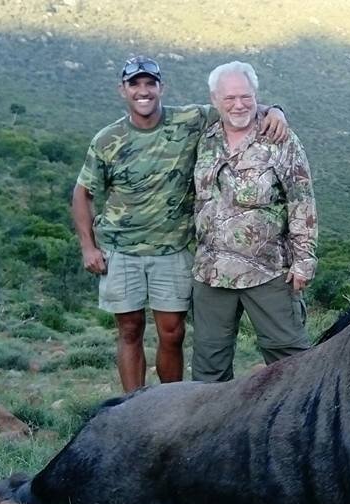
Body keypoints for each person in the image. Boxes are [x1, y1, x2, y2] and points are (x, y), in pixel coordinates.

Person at [72, 56, 289, 392]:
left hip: (172, 249)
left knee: (172, 332)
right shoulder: (107, 139)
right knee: (129, 330)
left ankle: (169, 405)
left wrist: (275, 110)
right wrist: (88, 246)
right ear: (123, 90)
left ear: (161, 88)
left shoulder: (189, 120)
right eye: (135, 84)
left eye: (150, 84)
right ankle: (134, 407)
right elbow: (82, 193)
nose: (143, 91)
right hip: (121, 250)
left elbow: (234, 104)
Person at [191, 61, 317, 382]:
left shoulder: (280, 139)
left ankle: (300, 428)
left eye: (246, 97)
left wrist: (304, 260)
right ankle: (212, 430)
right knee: (209, 367)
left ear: (256, 96)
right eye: (229, 98)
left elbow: (301, 200)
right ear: (214, 99)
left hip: (269, 271)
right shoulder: (204, 136)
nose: (239, 105)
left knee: (290, 361)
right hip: (211, 272)